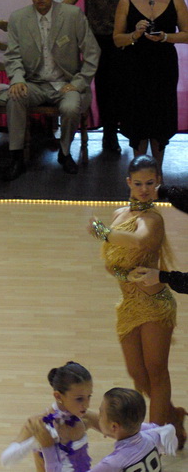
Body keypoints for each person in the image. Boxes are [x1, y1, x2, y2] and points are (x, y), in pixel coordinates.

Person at [88, 155, 186, 448]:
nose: (144, 189)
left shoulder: (153, 220)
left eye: (150, 183)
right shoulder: (119, 214)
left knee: (156, 372)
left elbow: (140, 241)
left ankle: (153, 442)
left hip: (155, 305)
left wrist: (102, 232)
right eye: (139, 183)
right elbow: (111, 264)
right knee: (138, 376)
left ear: (158, 183)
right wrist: (125, 274)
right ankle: (174, 416)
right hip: (128, 305)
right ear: (129, 183)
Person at [0, 0, 100, 181]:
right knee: (14, 96)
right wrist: (17, 79)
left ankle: (64, 152)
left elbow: (92, 52)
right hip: (34, 82)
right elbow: (12, 56)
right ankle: (16, 157)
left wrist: (79, 82)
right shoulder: (18, 18)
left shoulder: (72, 15)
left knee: (71, 107)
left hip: (66, 82)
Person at [63, 0, 137, 155]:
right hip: (95, 40)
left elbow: (135, 3)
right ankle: (108, 133)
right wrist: (52, 11)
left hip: (120, 39)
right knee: (103, 87)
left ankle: (117, 130)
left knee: (118, 87)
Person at [113, 0, 188, 169]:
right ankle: (139, 173)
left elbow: (186, 34)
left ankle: (158, 174)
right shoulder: (127, 0)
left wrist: (165, 37)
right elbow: (117, 39)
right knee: (138, 120)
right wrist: (135, 34)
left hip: (164, 67)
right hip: (135, 68)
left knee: (160, 120)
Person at [0, 362, 100, 471]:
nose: (87, 405)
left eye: (89, 396)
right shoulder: (37, 424)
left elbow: (113, 428)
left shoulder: (85, 418)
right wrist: (33, 442)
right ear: (58, 396)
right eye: (79, 399)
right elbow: (6, 459)